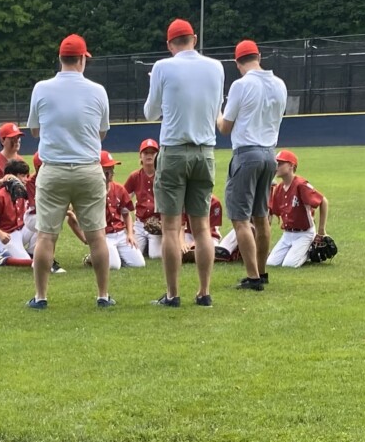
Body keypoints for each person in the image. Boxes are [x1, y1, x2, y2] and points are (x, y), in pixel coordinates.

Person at [26, 33, 114, 309]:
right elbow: (101, 134)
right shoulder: (98, 90)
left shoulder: (41, 88)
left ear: (61, 59)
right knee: (96, 235)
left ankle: (41, 297)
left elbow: (34, 130)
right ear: (82, 60)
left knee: (45, 236)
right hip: (88, 169)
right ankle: (102, 295)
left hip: (53, 170)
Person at [143, 18, 224, 308]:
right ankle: (204, 293)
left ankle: (173, 294)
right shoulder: (216, 67)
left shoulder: (163, 67)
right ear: (195, 38)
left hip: (175, 150)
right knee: (202, 228)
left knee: (170, 226)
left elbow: (150, 113)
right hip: (205, 151)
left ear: (169, 45)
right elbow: (216, 109)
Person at [217, 39, 287, 291]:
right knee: (261, 217)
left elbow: (226, 127)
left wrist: (217, 111)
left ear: (238, 63)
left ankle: (252, 277)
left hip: (246, 153)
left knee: (240, 219)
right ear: (259, 56)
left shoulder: (241, 85)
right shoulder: (279, 84)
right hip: (270, 155)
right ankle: (262, 270)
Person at [72, 151, 145, 270]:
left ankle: (107, 255)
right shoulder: (90, 192)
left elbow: (126, 215)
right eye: (108, 168)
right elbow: (74, 217)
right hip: (103, 236)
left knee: (139, 264)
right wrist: (87, 239)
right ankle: (93, 257)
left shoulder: (119, 189)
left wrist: (130, 234)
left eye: (112, 167)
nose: (112, 171)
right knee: (114, 266)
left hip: (120, 234)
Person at [267, 150, 329, 268]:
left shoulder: (301, 185)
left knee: (289, 264)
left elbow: (323, 201)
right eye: (276, 163)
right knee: (271, 263)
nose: (277, 167)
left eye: (280, 164)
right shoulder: (279, 188)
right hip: (287, 234)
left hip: (305, 233)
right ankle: (297, 251)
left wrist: (321, 231)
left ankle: (309, 251)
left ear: (291, 166)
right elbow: (271, 212)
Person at [0, 159, 34, 267]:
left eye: (26, 176)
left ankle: (32, 253)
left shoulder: (24, 190)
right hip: (6, 236)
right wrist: (0, 234)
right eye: (22, 176)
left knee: (41, 225)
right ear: (10, 177)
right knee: (27, 262)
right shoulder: (0, 196)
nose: (25, 179)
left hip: (20, 231)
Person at [123, 139, 159, 255]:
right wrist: (127, 228)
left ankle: (150, 245)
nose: (149, 155)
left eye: (152, 153)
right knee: (133, 252)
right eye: (146, 153)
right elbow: (122, 199)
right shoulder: (135, 176)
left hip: (158, 223)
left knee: (156, 256)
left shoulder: (163, 176)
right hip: (140, 224)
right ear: (140, 156)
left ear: (158, 156)